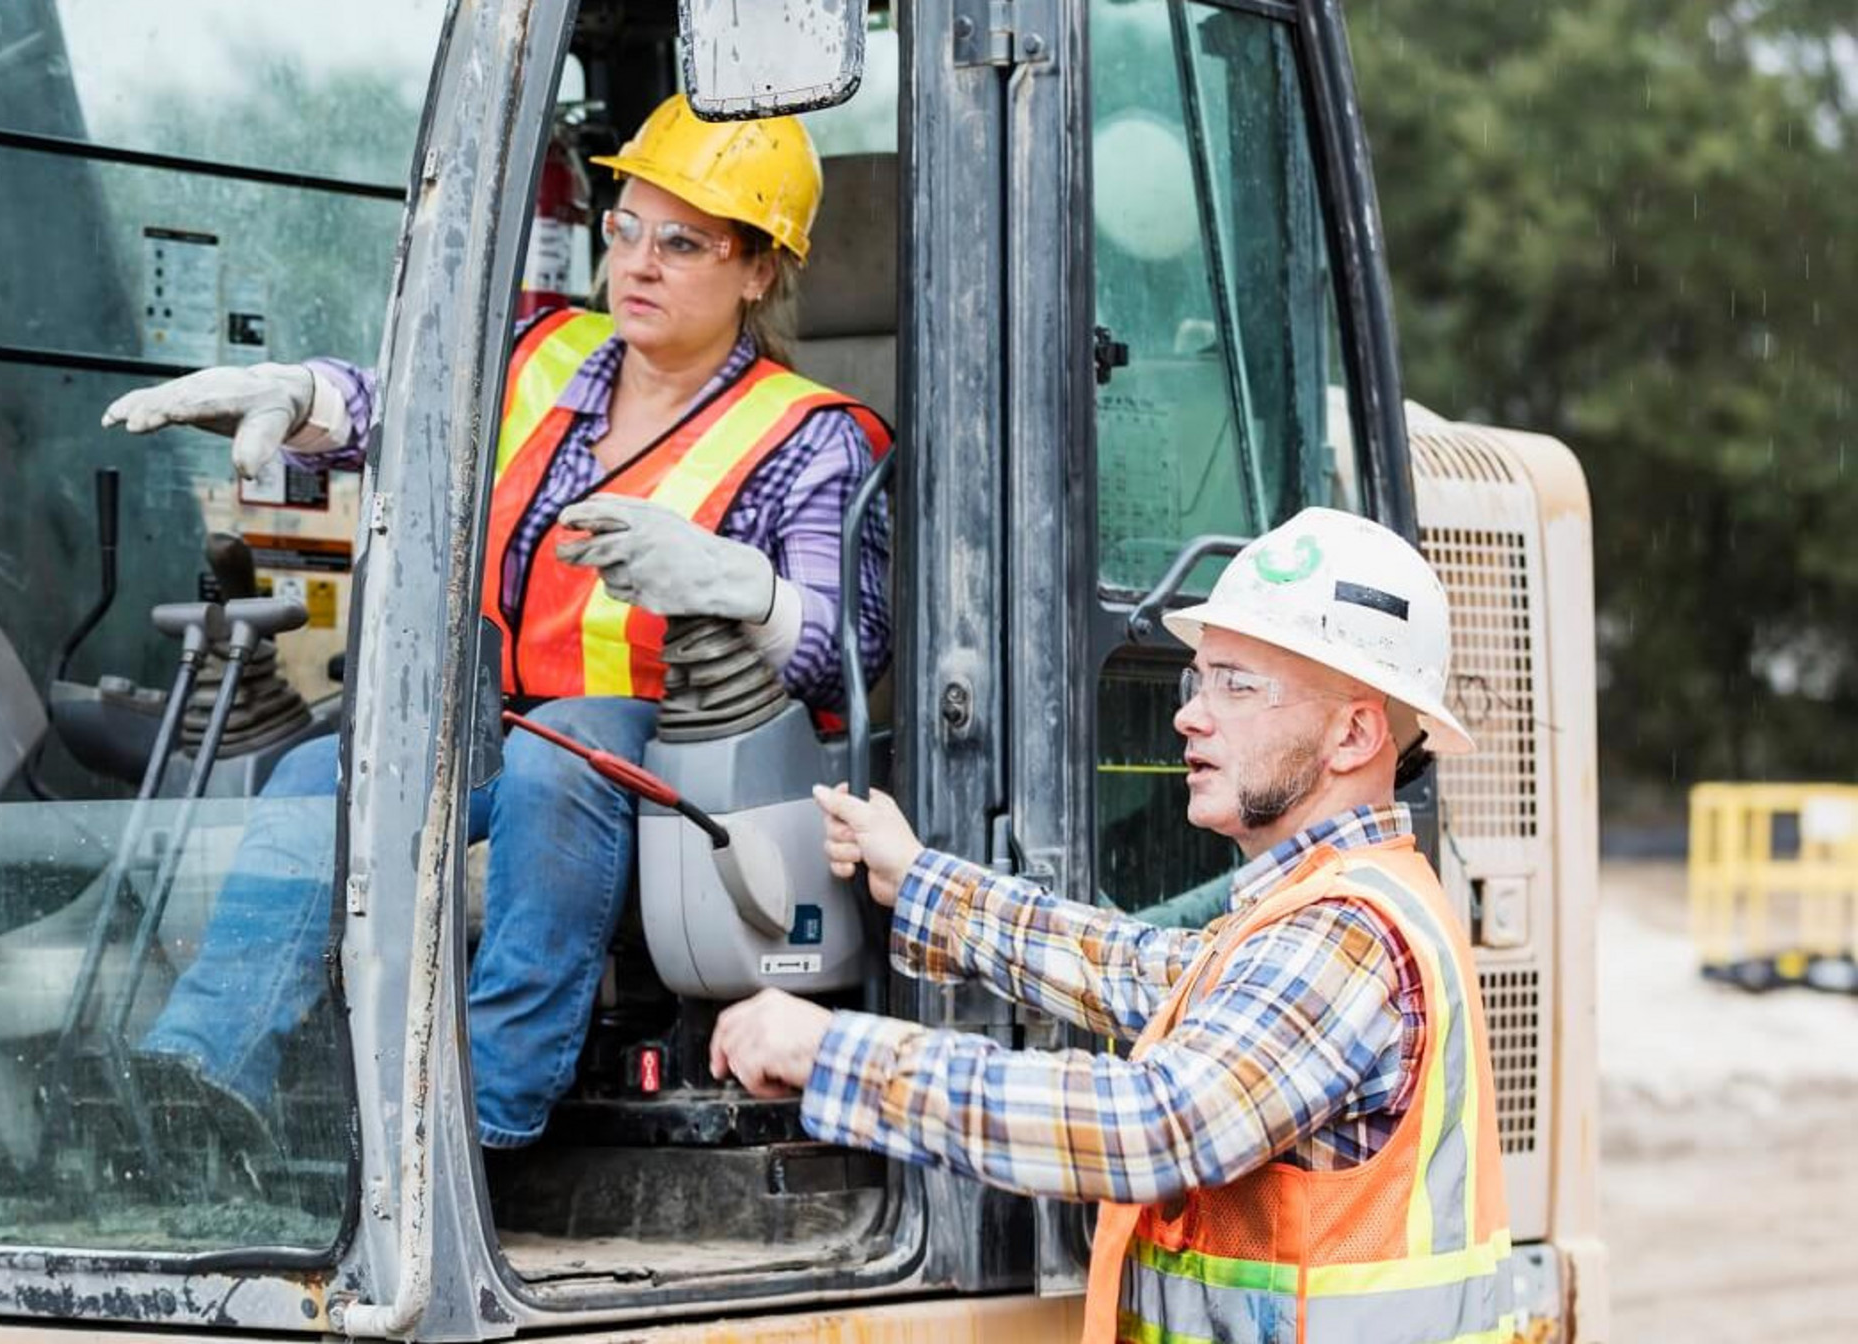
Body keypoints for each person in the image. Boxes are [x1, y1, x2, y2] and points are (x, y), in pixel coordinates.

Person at [100, 95, 891, 1150]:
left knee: (555, 769)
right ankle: (195, 1074)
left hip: (674, 754)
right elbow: (397, 405)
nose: (638, 265)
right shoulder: (541, 352)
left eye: (682, 243)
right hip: (495, 718)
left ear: (756, 270)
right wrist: (299, 396)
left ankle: (479, 1124)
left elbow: (848, 649)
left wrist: (736, 584)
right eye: (624, 230)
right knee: (320, 774)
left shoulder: (813, 437)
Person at [710, 508, 1511, 1344]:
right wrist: (920, 881)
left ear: (1353, 733)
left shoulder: (1344, 935)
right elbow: (1138, 970)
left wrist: (834, 1053)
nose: (1191, 717)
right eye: (1197, 680)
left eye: (1238, 684)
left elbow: (1151, 1126)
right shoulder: (1325, 906)